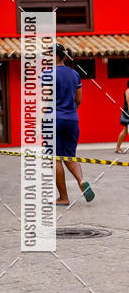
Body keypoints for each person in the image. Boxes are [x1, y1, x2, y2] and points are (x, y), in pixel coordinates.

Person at [55, 43, 94, 204]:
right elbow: (78, 99)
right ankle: (81, 180)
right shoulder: (74, 74)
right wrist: (70, 112)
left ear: (55, 56)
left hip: (53, 119)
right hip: (72, 119)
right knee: (70, 156)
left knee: (55, 158)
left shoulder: (47, 74)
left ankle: (63, 197)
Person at [115, 80, 129, 153]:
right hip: (128, 112)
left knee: (125, 130)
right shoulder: (128, 91)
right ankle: (117, 148)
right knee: (125, 130)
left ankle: (117, 148)